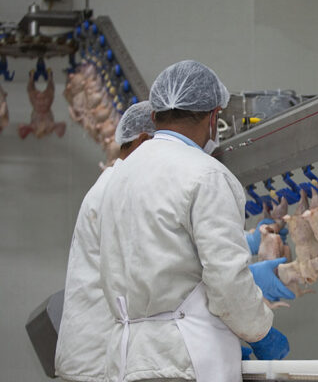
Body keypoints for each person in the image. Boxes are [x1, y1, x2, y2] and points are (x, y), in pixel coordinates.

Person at [98, 60, 292, 382]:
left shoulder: (119, 176)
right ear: (214, 117)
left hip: (127, 357)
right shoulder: (206, 175)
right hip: (187, 357)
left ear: (154, 115)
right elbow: (226, 280)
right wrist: (261, 332)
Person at [55, 101, 156, 382]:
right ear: (142, 141)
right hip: (98, 359)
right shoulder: (122, 188)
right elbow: (155, 262)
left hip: (95, 355)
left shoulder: (117, 181)